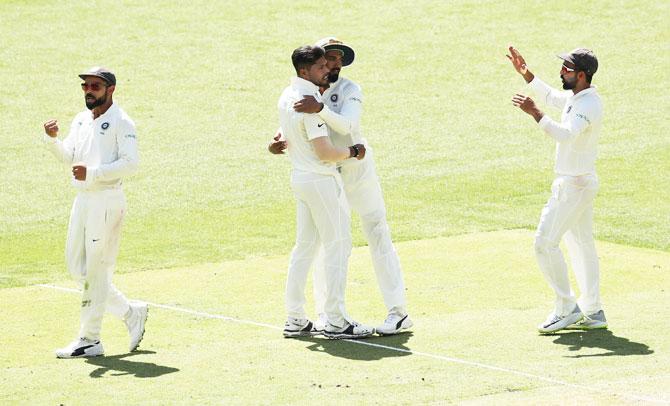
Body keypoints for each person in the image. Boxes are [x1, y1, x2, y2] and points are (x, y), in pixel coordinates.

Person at [270, 37, 412, 335]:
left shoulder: (349, 90)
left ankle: (397, 312)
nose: (333, 65)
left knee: (375, 230)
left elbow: (346, 126)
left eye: (337, 60)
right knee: (327, 243)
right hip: (325, 173)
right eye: (328, 59)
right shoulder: (305, 91)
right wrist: (280, 138)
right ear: (312, 67)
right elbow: (297, 119)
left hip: (356, 167)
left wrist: (319, 108)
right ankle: (328, 315)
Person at [42, 67, 148, 358]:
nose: (89, 91)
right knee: (78, 268)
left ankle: (90, 338)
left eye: (95, 86)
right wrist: (53, 140)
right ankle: (129, 312)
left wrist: (94, 173)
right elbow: (70, 157)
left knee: (97, 271)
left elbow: (131, 164)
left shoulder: (122, 122)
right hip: (84, 199)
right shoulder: (80, 120)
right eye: (86, 86)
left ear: (111, 89)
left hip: (106, 200)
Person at [507, 46, 606, 333]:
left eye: (568, 68)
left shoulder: (589, 105)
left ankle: (566, 308)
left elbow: (566, 135)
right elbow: (552, 96)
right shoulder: (578, 97)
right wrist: (526, 74)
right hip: (579, 182)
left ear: (583, 75)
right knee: (580, 245)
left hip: (574, 185)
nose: (562, 71)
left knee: (544, 243)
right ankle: (594, 310)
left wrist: (535, 113)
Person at [278, 45, 374, 339]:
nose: (326, 71)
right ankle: (335, 320)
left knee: (304, 247)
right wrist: (355, 151)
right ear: (304, 71)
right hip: (321, 180)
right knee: (338, 245)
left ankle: (295, 318)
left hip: (301, 179)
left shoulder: (286, 95)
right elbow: (326, 153)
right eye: (320, 67)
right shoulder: (309, 105)